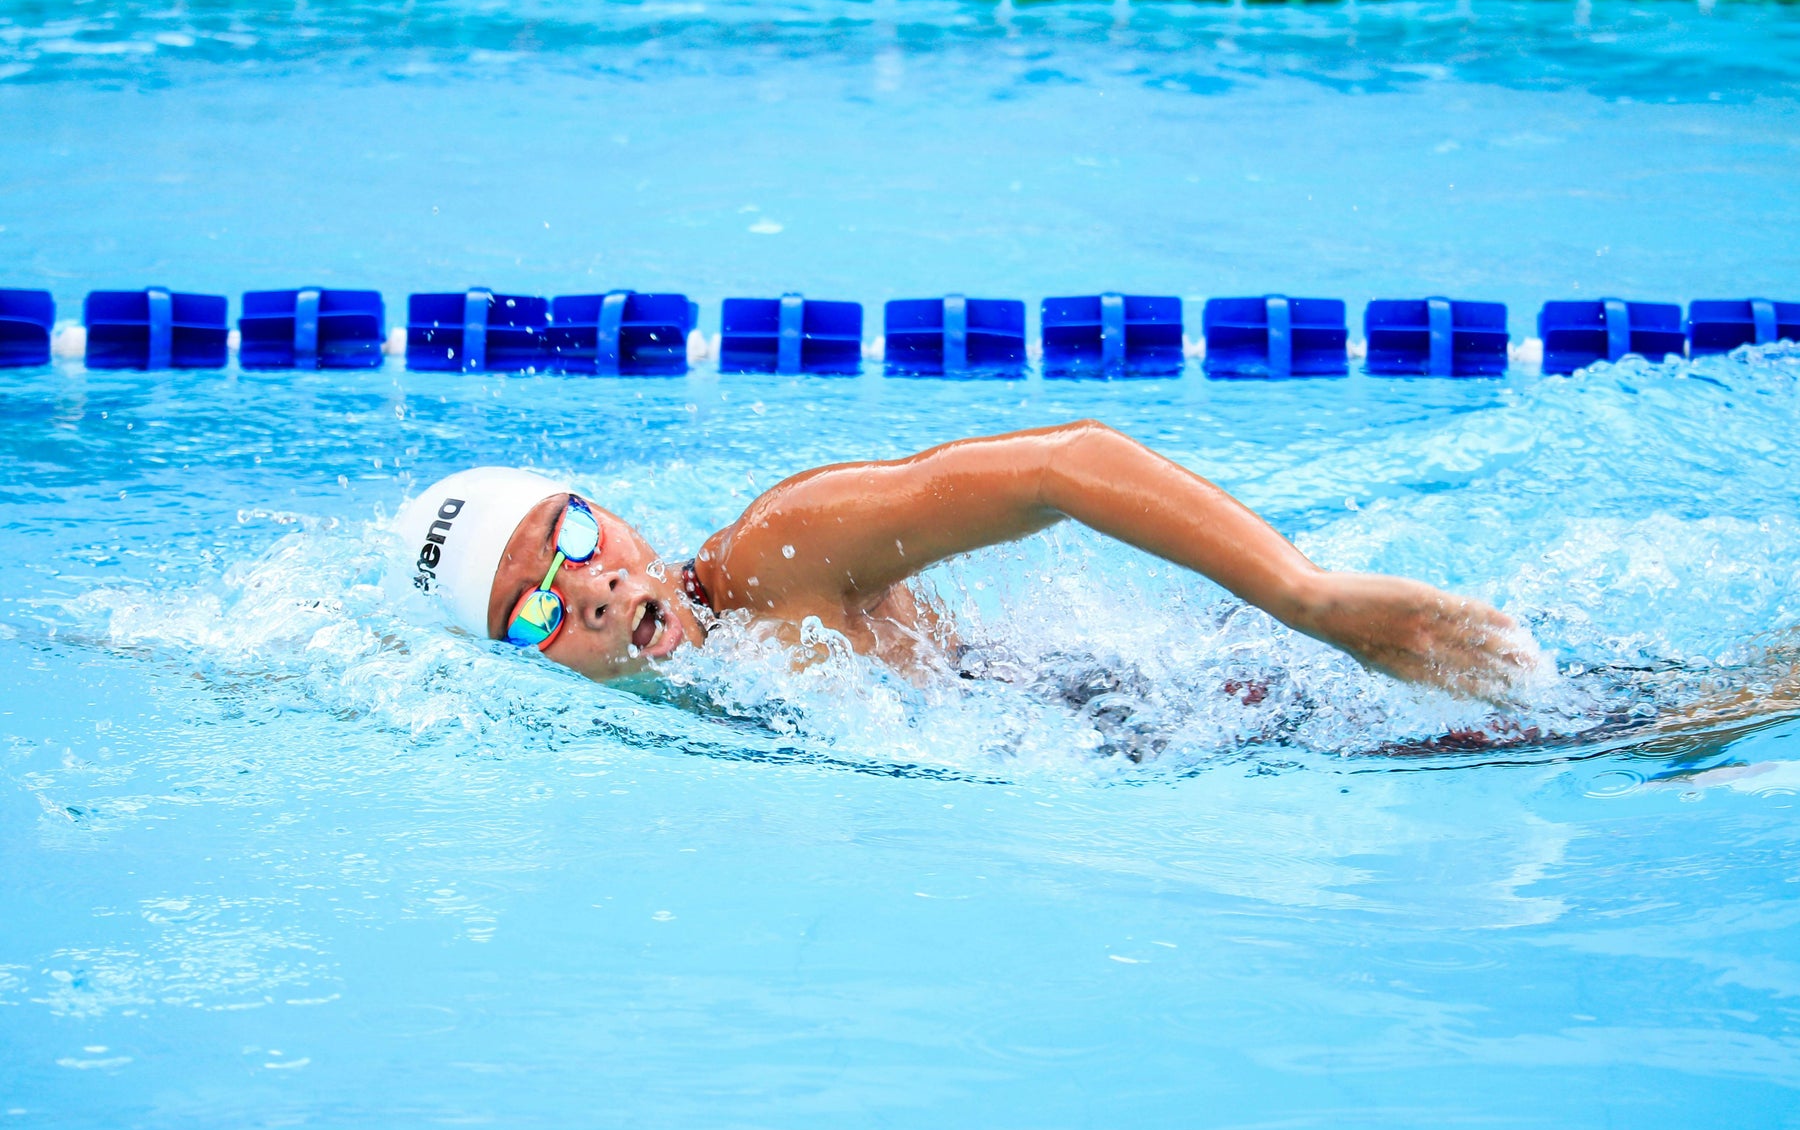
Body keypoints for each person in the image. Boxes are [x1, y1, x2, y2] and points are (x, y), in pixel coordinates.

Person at [395, 420, 1536, 701]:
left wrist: (1310, 600)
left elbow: (1066, 464)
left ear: (623, 526)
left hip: (1171, 710)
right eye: (532, 611)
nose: (586, 590)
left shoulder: (776, 557)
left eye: (577, 540)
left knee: (1594, 720)